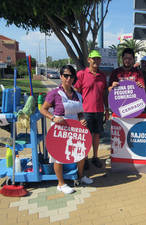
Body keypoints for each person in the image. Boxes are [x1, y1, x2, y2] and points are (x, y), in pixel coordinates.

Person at [40, 65, 93, 194]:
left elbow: (80, 112)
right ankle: (61, 183)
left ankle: (80, 177)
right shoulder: (54, 93)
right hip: (60, 130)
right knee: (59, 157)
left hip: (75, 130)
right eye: (66, 75)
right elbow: (42, 109)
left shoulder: (77, 95)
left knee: (80, 154)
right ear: (61, 77)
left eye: (71, 76)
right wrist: (53, 118)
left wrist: (82, 119)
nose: (69, 78)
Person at [74, 50, 109, 169]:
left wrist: (107, 109)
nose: (96, 61)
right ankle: (84, 158)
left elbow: (104, 93)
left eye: (98, 59)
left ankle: (95, 157)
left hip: (99, 110)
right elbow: (76, 92)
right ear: (89, 59)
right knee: (85, 136)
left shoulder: (102, 76)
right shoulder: (82, 74)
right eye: (93, 58)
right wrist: (79, 113)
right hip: (86, 111)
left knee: (97, 135)